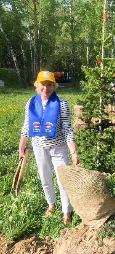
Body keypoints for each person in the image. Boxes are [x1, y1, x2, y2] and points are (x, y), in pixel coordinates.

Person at [19, 71, 78, 225]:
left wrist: (73, 151)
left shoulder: (62, 103)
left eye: (49, 84)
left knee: (62, 180)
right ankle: (51, 204)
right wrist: (21, 147)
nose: (46, 88)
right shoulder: (31, 102)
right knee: (45, 178)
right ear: (36, 85)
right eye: (42, 84)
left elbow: (67, 128)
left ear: (54, 86)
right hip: (39, 147)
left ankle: (66, 211)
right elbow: (26, 125)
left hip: (58, 147)